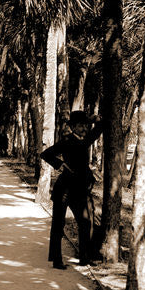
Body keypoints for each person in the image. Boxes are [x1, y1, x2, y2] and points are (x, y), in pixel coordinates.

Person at [40, 110, 100, 269]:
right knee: (58, 225)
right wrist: (61, 165)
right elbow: (45, 154)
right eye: (80, 126)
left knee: (85, 223)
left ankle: (84, 258)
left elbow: (95, 132)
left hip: (80, 190)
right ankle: (56, 259)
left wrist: (96, 120)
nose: (84, 129)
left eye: (85, 126)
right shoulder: (66, 141)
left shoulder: (84, 140)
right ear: (73, 127)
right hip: (64, 189)